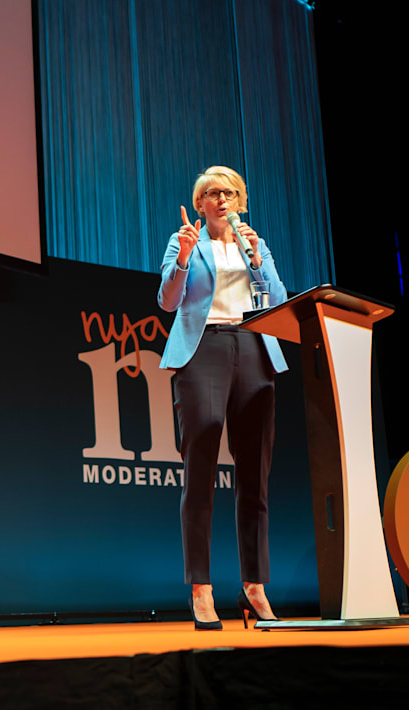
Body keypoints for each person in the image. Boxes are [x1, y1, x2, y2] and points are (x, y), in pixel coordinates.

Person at [156, 166, 288, 630]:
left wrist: (257, 258)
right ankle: (201, 588)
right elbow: (167, 300)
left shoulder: (256, 244)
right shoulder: (186, 242)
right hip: (203, 349)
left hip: (254, 348)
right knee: (201, 471)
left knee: (255, 475)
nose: (222, 199)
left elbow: (278, 298)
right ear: (200, 203)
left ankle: (255, 587)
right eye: (212, 193)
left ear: (241, 200)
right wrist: (183, 257)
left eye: (230, 192)